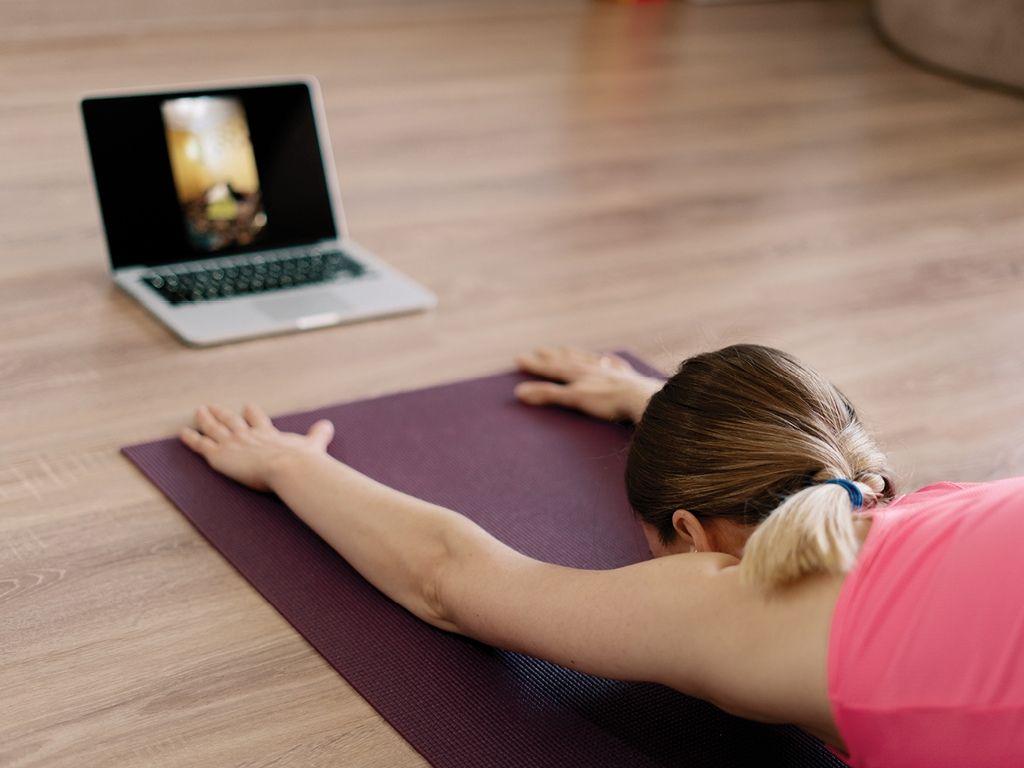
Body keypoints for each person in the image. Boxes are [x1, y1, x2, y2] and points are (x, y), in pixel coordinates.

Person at [180, 344, 1024, 768]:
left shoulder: (727, 601)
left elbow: (450, 576)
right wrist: (651, 399)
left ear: (690, 537)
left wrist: (293, 464)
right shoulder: (941, 505)